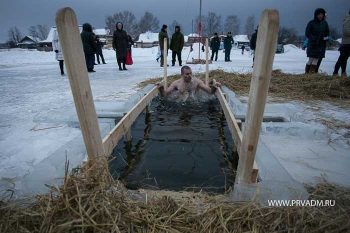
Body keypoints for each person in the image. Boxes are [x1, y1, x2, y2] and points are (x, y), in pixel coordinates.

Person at [157, 66, 221, 101]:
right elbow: (165, 94)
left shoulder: (197, 82)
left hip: (195, 104)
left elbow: (210, 92)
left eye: (191, 73)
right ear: (182, 74)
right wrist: (161, 88)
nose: (190, 76)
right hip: (181, 104)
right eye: (187, 74)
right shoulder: (176, 83)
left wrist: (214, 86)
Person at [305, 8, 329, 74]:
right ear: (316, 15)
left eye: (322, 14)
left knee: (316, 60)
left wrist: (325, 38)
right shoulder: (311, 23)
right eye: (319, 14)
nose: (320, 16)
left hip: (321, 45)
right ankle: (306, 73)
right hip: (313, 44)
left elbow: (327, 33)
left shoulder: (325, 23)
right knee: (311, 59)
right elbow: (307, 33)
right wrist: (314, 39)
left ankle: (312, 74)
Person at [333, 10, 350, 78]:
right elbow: (346, 31)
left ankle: (342, 73)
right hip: (347, 43)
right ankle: (336, 72)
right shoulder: (348, 19)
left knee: (344, 58)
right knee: (342, 58)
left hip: (347, 43)